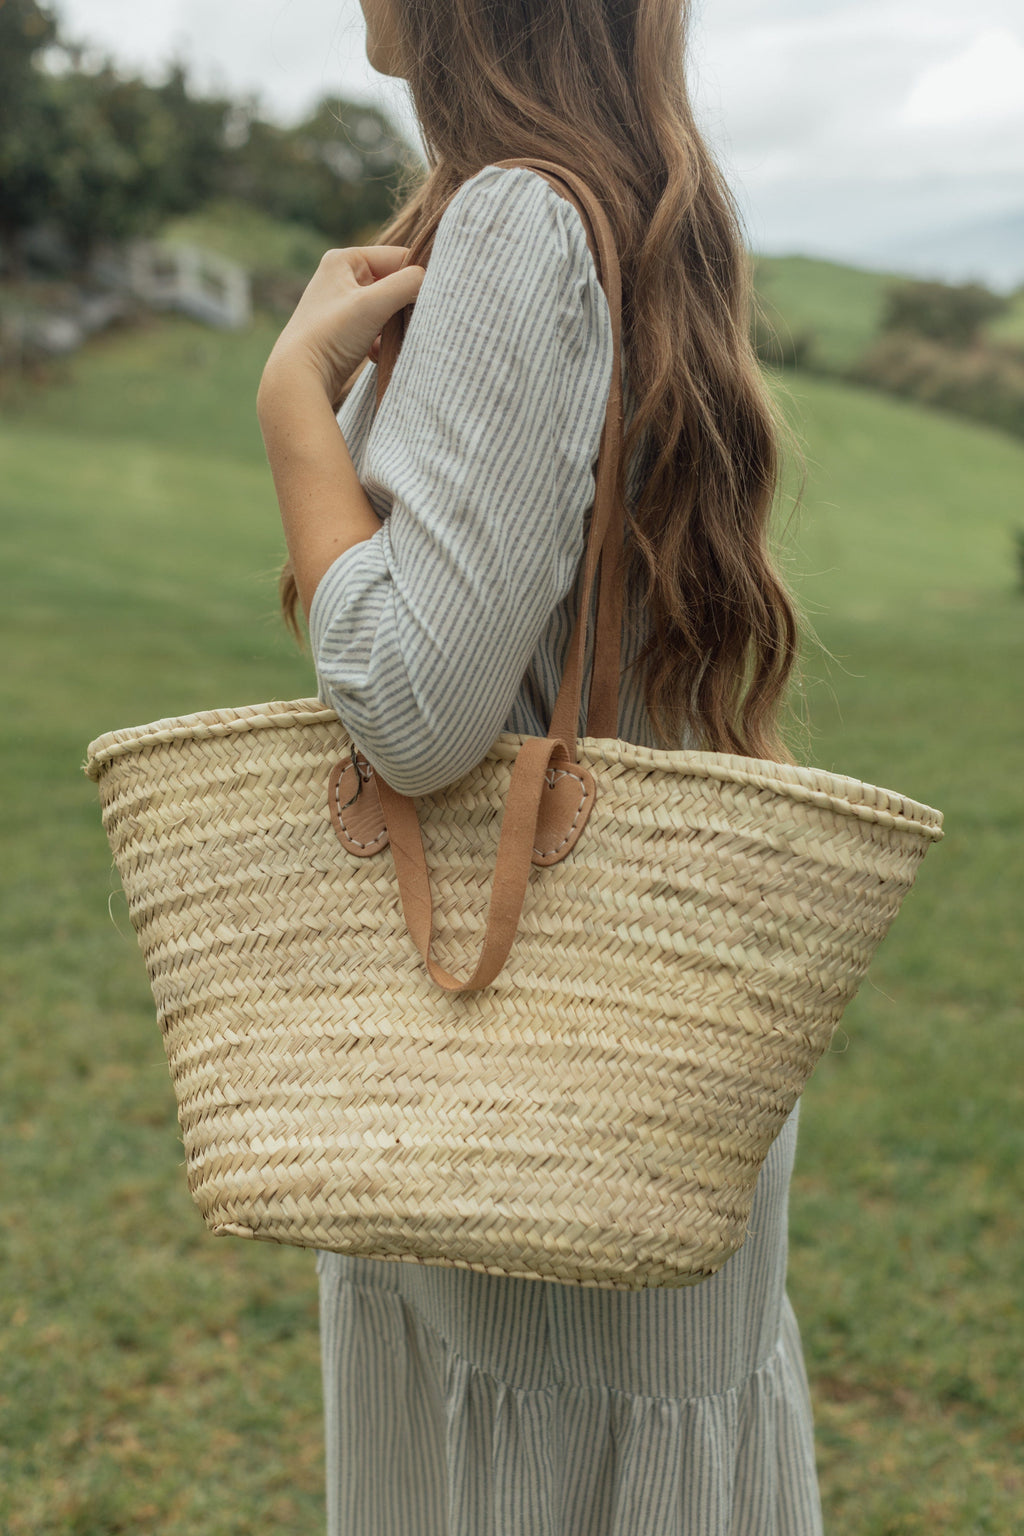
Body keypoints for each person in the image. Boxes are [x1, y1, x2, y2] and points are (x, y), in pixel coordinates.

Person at [256, 1, 821, 1531]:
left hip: (512, 1042)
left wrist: (295, 412)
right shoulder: (610, 198)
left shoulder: (516, 218)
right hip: (617, 1041)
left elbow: (418, 705)